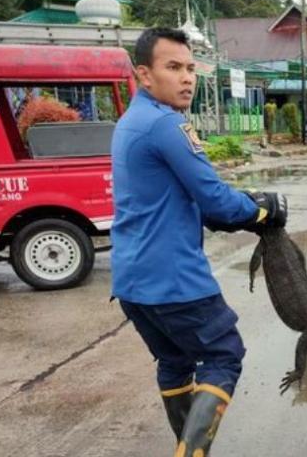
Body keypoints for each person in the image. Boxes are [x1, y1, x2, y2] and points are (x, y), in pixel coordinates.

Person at [110, 27, 287, 456]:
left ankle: (186, 447)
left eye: (191, 68)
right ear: (144, 75)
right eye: (173, 67)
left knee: (175, 362)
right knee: (225, 355)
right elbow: (215, 199)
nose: (187, 78)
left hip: (132, 283)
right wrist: (262, 210)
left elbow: (186, 201)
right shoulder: (166, 123)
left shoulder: (130, 122)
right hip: (175, 281)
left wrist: (233, 212)